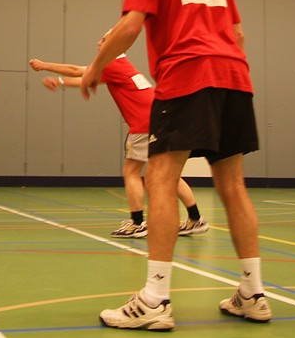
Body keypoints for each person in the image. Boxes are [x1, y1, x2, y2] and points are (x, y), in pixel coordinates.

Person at [81, 0, 270, 331]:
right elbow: (238, 34)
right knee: (233, 185)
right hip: (234, 77)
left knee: (160, 179)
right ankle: (253, 293)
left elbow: (130, 25)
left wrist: (95, 67)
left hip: (187, 74)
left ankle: (155, 299)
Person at [29, 44, 210, 239]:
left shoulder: (112, 63)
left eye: (104, 40)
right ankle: (195, 219)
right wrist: (60, 82)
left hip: (143, 124)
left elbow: (77, 71)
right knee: (168, 173)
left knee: (131, 171)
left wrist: (44, 65)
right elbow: (88, 80)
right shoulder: (121, 66)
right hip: (161, 121)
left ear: (116, 43)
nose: (99, 44)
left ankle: (137, 223)